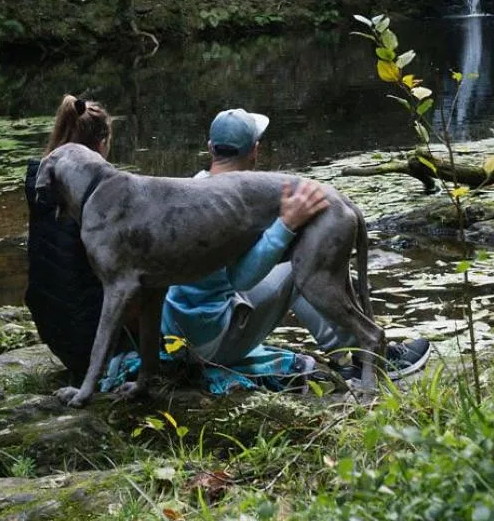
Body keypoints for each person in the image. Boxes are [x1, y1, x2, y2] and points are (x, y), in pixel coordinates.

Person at [162, 108, 432, 381]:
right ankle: (363, 355)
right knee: (302, 263)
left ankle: (354, 352)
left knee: (307, 263)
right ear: (255, 150)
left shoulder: (194, 187)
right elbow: (241, 279)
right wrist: (286, 226)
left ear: (210, 148)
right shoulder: (227, 204)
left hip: (178, 330)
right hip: (207, 346)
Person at [24, 94, 115, 385]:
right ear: (101, 144)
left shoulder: (38, 182)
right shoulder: (100, 191)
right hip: (90, 340)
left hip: (53, 331)